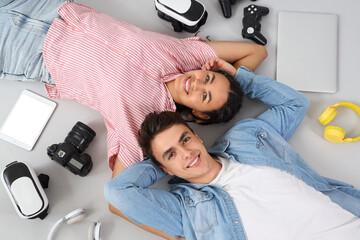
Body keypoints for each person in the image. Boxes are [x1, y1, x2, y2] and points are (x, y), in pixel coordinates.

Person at [0, 0, 267, 175]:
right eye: (208, 79)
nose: (197, 84)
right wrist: (229, 74)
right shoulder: (188, 56)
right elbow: (257, 52)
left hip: (28, 53)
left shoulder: (146, 123)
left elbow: (120, 182)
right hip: (48, 7)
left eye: (205, 96)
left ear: (199, 115)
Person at [104, 60, 360, 240]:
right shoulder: (187, 211)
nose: (187, 153)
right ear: (162, 168)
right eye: (171, 154)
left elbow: (295, 104)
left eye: (184, 140)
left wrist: (239, 78)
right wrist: (163, 160)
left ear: (197, 136)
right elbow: (117, 192)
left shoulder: (245, 138)